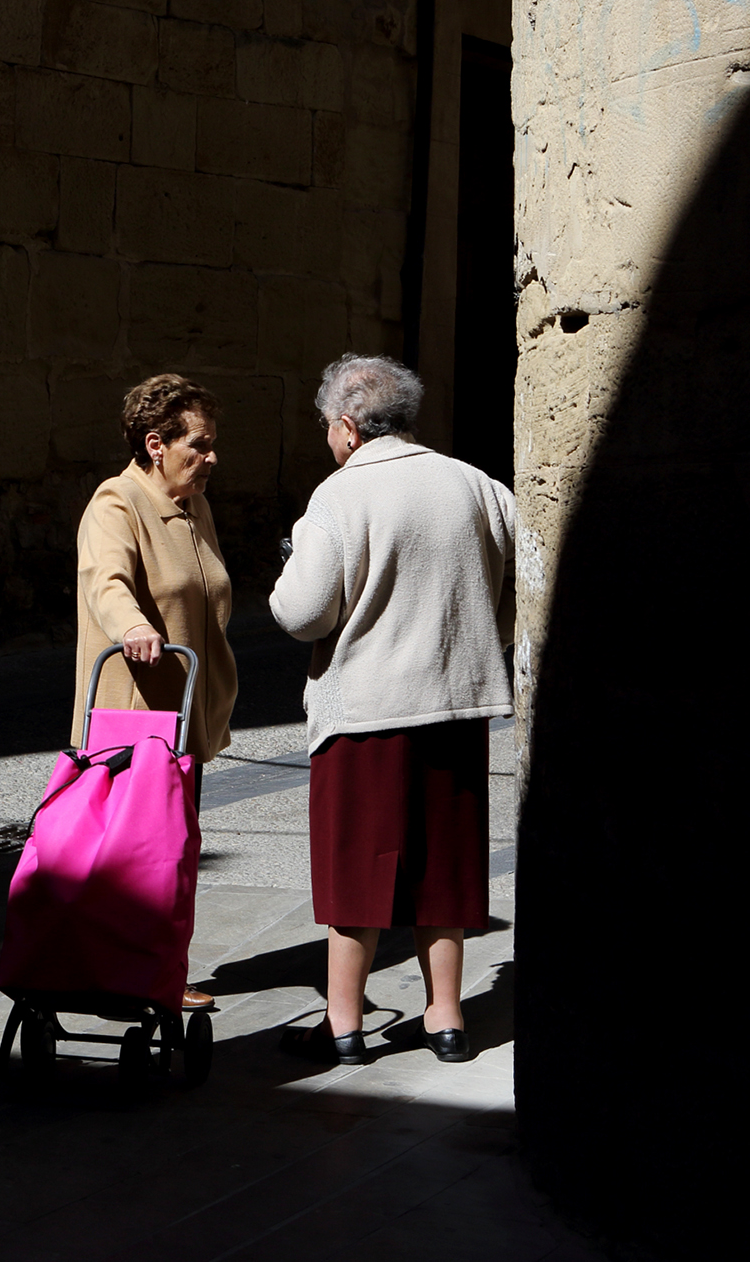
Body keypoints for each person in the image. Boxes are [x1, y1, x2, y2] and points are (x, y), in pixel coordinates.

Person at [269, 354, 515, 1065]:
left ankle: (343, 1023)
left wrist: (287, 570)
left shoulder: (338, 496)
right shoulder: (475, 484)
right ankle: (446, 1017)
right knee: (446, 866)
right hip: (455, 702)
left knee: (358, 870)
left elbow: (304, 611)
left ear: (347, 425)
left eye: (325, 425)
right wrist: (479, 637)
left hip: (365, 713)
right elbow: (514, 582)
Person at [74, 374, 239, 1010]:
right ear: (155, 444)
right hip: (133, 719)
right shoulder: (117, 502)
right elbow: (106, 580)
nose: (211, 457)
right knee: (132, 855)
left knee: (171, 849)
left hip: (185, 717)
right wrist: (135, 626)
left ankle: (160, 968)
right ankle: (122, 971)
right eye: (199, 444)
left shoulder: (195, 506)